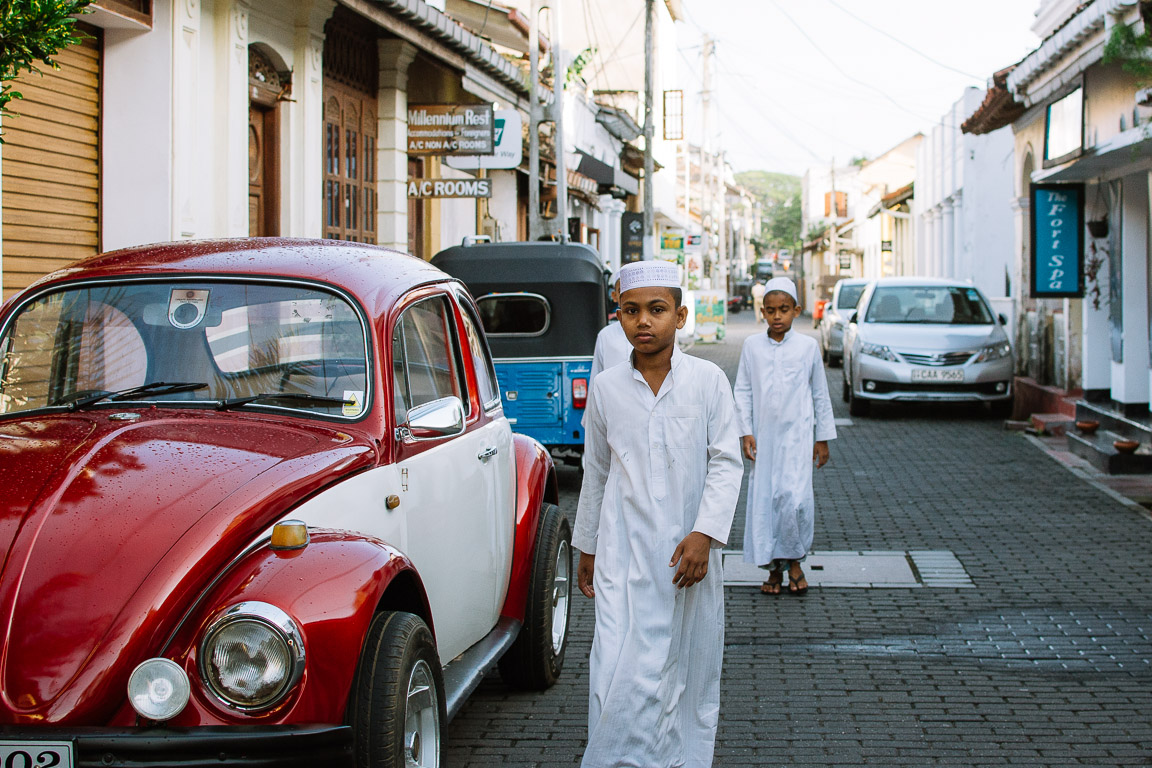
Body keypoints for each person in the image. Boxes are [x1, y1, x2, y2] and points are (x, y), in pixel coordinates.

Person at [574, 261, 743, 768]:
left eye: (656, 310)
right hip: (621, 556)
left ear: (680, 315)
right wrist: (587, 545)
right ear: (617, 318)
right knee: (615, 668)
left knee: (678, 670)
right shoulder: (605, 388)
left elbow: (726, 462)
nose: (643, 322)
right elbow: (596, 471)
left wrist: (704, 534)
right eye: (631, 311)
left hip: (683, 556)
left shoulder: (708, 381)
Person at [733, 276, 836, 596]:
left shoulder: (807, 347)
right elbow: (743, 391)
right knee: (767, 502)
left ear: (796, 311)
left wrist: (822, 438)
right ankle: (773, 570)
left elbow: (820, 393)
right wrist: (745, 432)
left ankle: (795, 561)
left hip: (798, 440)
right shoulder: (751, 346)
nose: (777, 316)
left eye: (784, 310)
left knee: (794, 501)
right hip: (764, 441)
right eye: (771, 310)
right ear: (762, 312)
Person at [588, 269, 631, 386]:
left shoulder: (653, 331)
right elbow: (596, 377)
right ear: (614, 296)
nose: (628, 296)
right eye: (622, 291)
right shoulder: (606, 335)